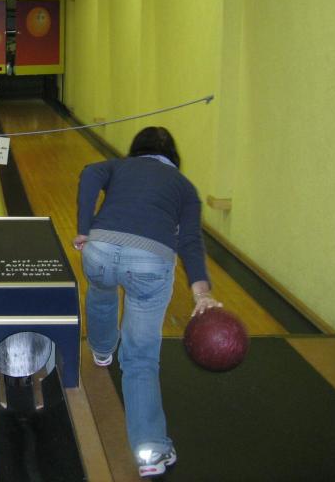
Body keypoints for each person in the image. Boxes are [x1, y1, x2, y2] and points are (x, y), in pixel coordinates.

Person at [73, 126, 221, 478]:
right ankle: (151, 451)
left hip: (100, 248)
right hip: (150, 262)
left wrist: (84, 228)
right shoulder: (185, 187)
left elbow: (89, 173)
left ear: (136, 150)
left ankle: (101, 349)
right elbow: (190, 240)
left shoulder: (120, 166)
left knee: (102, 290)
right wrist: (201, 292)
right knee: (140, 358)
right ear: (174, 158)